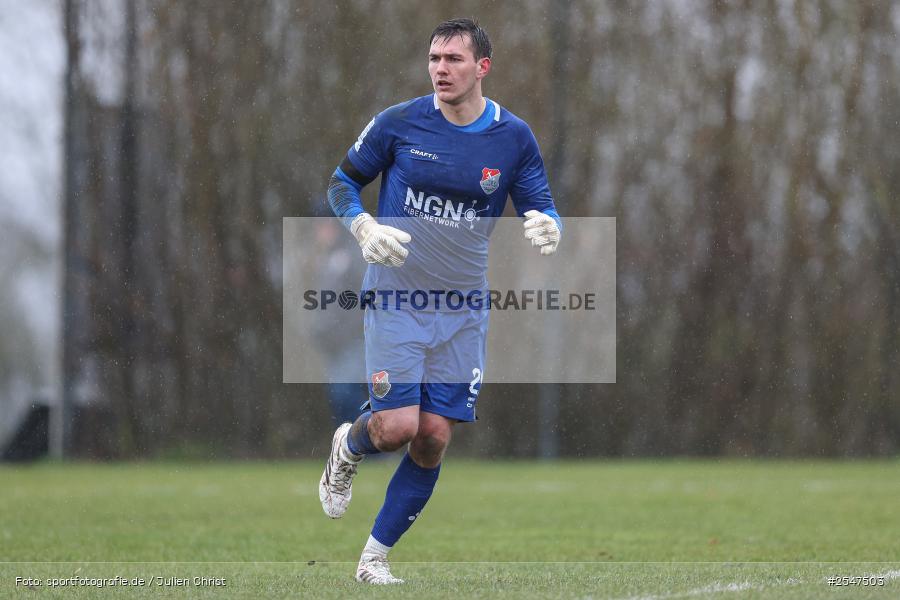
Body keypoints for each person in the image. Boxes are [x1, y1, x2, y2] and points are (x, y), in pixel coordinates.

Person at [319, 17, 562, 584]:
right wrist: (361, 227)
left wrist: (550, 226)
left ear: (482, 67)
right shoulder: (399, 123)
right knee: (397, 427)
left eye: (453, 59)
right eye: (434, 58)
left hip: (463, 307)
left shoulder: (513, 137)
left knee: (432, 437)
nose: (440, 69)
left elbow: (539, 203)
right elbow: (340, 182)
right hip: (398, 297)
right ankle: (349, 444)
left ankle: (373, 558)